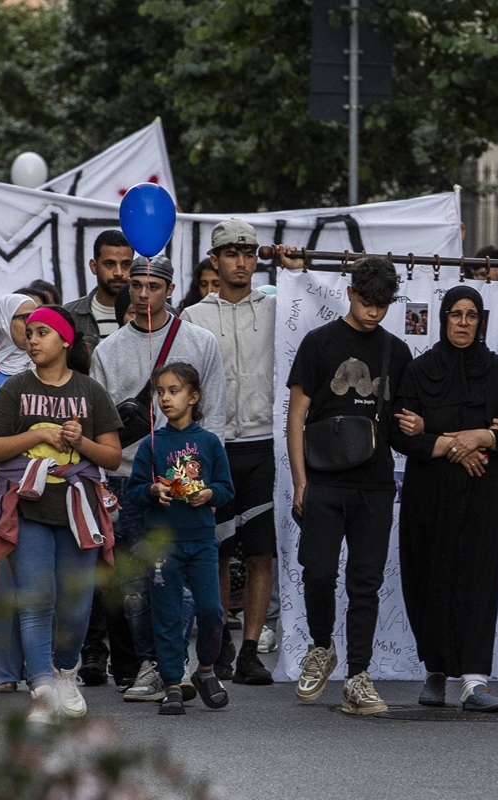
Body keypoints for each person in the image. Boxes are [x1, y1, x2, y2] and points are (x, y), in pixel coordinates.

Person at [0, 306, 123, 725]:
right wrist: (38, 434)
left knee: (76, 606)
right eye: (29, 333)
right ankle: (41, 687)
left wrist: (83, 442)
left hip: (79, 511)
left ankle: (65, 671)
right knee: (36, 601)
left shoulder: (91, 391)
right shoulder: (14, 390)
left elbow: (112, 457)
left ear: (65, 340)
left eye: (42, 332)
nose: (33, 339)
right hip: (28, 510)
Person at [90, 254, 226, 700]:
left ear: (170, 289)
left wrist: (202, 480)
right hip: (129, 481)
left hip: (190, 487)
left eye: (154, 286)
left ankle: (191, 665)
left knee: (191, 589)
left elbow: (217, 416)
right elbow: (100, 426)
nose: (144, 294)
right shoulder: (107, 351)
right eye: (137, 286)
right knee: (138, 586)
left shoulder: (200, 341)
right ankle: (155, 666)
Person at [390, 285, 498, 712]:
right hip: (429, 492)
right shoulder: (420, 369)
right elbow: (398, 431)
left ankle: (474, 679)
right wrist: (458, 445)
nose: (463, 323)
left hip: (484, 491)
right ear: (442, 318)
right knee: (429, 576)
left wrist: (482, 437)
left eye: (471, 315)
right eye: (455, 314)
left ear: (481, 321)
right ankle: (435, 670)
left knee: (479, 578)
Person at [286, 257, 411, 714]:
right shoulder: (318, 343)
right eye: (367, 301)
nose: (374, 311)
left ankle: (358, 676)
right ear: (351, 292)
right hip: (322, 478)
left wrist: (414, 427)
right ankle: (321, 647)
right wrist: (300, 482)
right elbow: (296, 416)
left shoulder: (396, 351)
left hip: (376, 483)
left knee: (365, 582)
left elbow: (398, 426)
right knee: (318, 571)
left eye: (383, 304)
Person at [181, 219, 302, 683]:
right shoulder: (194, 316)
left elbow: (313, 314)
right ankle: (218, 644)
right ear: (215, 259)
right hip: (214, 447)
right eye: (231, 254)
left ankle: (251, 648)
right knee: (215, 550)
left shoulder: (276, 308)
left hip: (263, 447)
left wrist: (293, 274)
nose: (241, 262)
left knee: (260, 554)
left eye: (249, 254)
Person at [127, 362, 235, 714]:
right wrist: (153, 489)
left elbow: (225, 488)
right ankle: (173, 682)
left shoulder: (209, 442)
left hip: (202, 540)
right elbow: (134, 490)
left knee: (211, 610)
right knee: (167, 613)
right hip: (163, 544)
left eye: (173, 391)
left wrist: (208, 495)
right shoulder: (151, 443)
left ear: (194, 397)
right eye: (160, 392)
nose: (165, 399)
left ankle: (205, 669)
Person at [65, 230, 135, 352]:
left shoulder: (153, 312)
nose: (118, 272)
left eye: (125, 265)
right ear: (94, 266)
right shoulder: (69, 315)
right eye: (109, 264)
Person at [0, 294, 38, 395]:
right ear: (4, 322)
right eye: (27, 317)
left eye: (37, 316)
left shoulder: (50, 365)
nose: (34, 323)